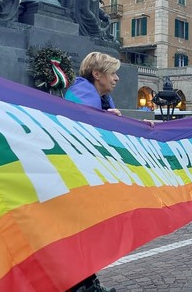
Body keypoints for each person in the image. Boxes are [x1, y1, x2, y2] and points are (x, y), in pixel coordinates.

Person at [64, 51, 120, 292]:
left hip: (85, 175)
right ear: (97, 74)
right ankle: (81, 285)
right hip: (75, 176)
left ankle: (87, 281)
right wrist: (105, 118)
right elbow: (79, 126)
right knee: (79, 231)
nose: (117, 78)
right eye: (112, 73)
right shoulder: (82, 93)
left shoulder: (101, 99)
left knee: (86, 231)